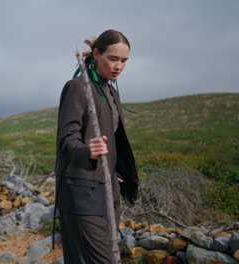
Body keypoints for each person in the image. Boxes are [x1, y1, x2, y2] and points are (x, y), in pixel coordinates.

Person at [54, 29, 139, 264]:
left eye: (124, 61)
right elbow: (66, 138)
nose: (118, 66)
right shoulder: (77, 88)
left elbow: (113, 139)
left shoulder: (109, 91)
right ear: (96, 54)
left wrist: (116, 172)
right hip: (80, 190)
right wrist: (86, 150)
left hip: (108, 187)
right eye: (113, 58)